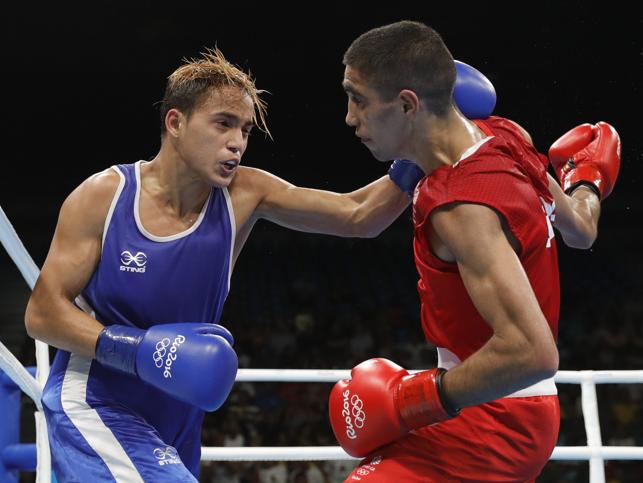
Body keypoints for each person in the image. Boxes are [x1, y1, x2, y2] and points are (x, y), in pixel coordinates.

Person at [23, 47, 493, 482]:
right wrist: (135, 349)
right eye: (222, 124)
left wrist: (427, 138)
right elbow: (42, 313)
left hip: (176, 414)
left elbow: (359, 215)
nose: (236, 143)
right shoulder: (105, 196)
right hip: (96, 399)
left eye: (245, 130)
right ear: (175, 122)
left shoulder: (244, 194)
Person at [328, 21, 621, 482]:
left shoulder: (462, 206)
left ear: (407, 104)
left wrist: (408, 400)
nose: (349, 116)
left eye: (358, 98)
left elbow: (533, 352)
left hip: (495, 416)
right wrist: (588, 180)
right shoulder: (506, 137)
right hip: (504, 405)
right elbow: (580, 230)